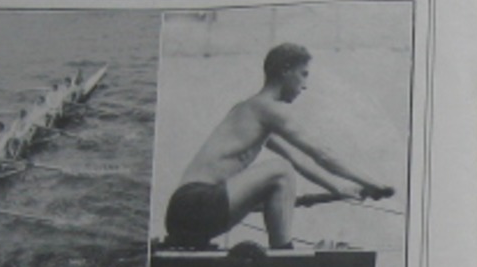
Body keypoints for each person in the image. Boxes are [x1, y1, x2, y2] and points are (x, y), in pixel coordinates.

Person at [163, 42, 390, 250]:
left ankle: (281, 256)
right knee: (280, 171)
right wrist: (375, 183)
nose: (305, 86)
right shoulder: (268, 109)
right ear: (286, 70)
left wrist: (338, 188)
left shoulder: (250, 111)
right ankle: (283, 256)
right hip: (195, 204)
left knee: (283, 169)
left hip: (181, 215)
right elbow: (323, 154)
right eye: (303, 74)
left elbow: (298, 161)